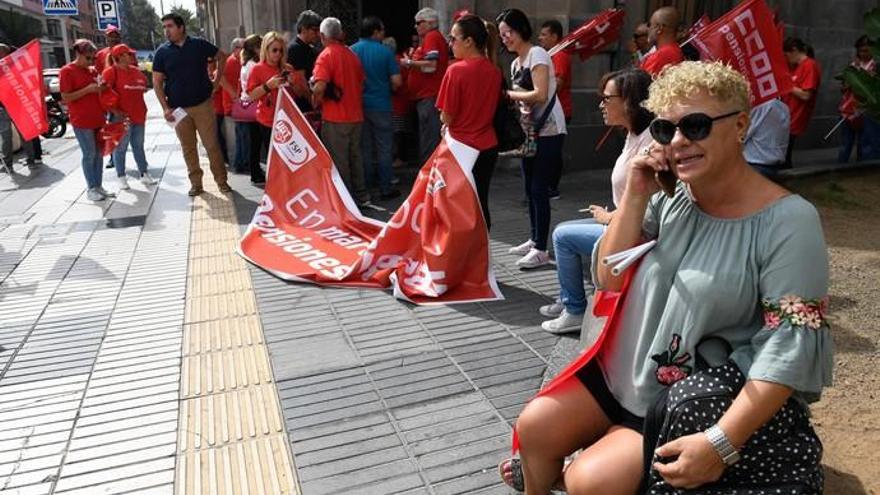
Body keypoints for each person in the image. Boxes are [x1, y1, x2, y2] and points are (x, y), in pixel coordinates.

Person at [500, 61, 832, 495]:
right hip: (619, 371)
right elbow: (607, 277)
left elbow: (789, 345)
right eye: (664, 129)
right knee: (535, 428)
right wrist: (637, 194)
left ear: (740, 125)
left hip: (680, 400)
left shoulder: (789, 221)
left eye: (695, 125)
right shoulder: (670, 199)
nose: (677, 142)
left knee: (590, 481)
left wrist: (722, 442)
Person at [539, 69, 654, 333]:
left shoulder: (652, 142)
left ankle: (574, 309)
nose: (601, 104)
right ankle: (568, 297)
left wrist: (609, 217)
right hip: (623, 225)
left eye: (606, 98)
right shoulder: (633, 133)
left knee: (562, 236)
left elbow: (650, 208)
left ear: (629, 101)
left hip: (637, 236)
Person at [498, 8, 567, 269]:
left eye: (509, 32)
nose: (506, 38)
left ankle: (541, 249)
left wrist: (507, 94)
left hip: (549, 130)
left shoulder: (537, 54)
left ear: (522, 29)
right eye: (503, 34)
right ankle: (534, 238)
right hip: (531, 132)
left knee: (539, 189)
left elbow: (540, 94)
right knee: (529, 188)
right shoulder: (516, 62)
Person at [152, 13, 231, 196]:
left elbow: (222, 57)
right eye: (164, 27)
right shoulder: (162, 52)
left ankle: (222, 181)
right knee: (188, 148)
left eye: (170, 26)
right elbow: (156, 83)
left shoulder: (199, 44)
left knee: (211, 145)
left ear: (181, 27)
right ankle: (196, 184)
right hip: (178, 110)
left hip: (203, 105)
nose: (166, 31)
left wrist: (217, 81)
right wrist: (165, 108)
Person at [436, 15, 502, 229]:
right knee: (480, 200)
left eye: (453, 38)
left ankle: (461, 256)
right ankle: (482, 252)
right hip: (487, 146)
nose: (450, 43)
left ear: (469, 41)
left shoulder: (456, 70)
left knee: (455, 205)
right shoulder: (494, 71)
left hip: (460, 148)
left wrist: (446, 121)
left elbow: (447, 116)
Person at [312, 17, 370, 206]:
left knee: (340, 161)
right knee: (356, 157)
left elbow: (319, 85)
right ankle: (362, 196)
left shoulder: (325, 56)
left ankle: (346, 202)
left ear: (322, 36)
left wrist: (315, 99)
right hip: (356, 115)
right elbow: (362, 83)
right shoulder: (352, 55)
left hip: (335, 117)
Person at [352, 16, 403, 200]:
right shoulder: (385, 52)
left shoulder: (352, 51)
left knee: (364, 148)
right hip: (382, 105)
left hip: (360, 106)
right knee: (384, 148)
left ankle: (365, 187)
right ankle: (385, 188)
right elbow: (397, 82)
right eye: (382, 30)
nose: (383, 34)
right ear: (375, 32)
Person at [60, 39, 115, 201]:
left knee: (99, 154)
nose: (91, 62)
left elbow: (99, 89)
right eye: (88, 58)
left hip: (98, 118)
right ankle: (91, 188)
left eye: (93, 59)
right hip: (81, 120)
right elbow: (66, 97)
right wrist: (88, 90)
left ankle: (98, 186)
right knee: (89, 153)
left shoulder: (91, 71)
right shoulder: (67, 71)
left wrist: (102, 87)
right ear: (78, 54)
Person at [247, 31, 302, 185]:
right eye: (274, 50)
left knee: (289, 159)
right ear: (266, 49)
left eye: (281, 50)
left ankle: (289, 188)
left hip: (288, 120)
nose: (278, 54)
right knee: (275, 160)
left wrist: (293, 82)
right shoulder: (257, 69)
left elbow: (298, 93)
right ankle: (277, 190)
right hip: (268, 121)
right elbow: (251, 96)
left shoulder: (287, 68)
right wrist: (268, 86)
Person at [102, 43, 156, 189]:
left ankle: (144, 173)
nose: (132, 56)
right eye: (128, 54)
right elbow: (103, 94)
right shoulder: (110, 73)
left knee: (138, 145)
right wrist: (114, 111)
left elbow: (143, 86)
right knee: (121, 148)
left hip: (138, 114)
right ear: (119, 57)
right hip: (121, 118)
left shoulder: (136, 71)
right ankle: (121, 176)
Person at [402, 8, 449, 168]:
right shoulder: (432, 38)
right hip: (427, 96)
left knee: (429, 139)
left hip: (429, 96)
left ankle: (429, 175)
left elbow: (431, 66)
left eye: (418, 22)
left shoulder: (432, 37)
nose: (415, 26)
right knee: (428, 136)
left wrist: (409, 63)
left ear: (429, 23)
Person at [538, 19, 571, 200]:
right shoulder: (550, 55)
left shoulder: (560, 56)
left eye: (544, 34)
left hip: (560, 111)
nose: (540, 38)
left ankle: (552, 187)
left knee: (553, 152)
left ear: (554, 36)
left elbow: (557, 84)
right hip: (550, 111)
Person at [838, 35, 880, 163]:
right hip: (849, 108)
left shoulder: (876, 66)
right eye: (861, 51)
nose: (863, 54)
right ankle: (840, 166)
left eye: (866, 51)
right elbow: (844, 87)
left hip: (867, 110)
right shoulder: (853, 66)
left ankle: (865, 165)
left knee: (866, 142)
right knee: (846, 142)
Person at [782, 37, 821, 168]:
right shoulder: (797, 67)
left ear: (794, 50)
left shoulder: (810, 65)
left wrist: (787, 86)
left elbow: (806, 95)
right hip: (787, 115)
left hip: (795, 117)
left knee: (785, 155)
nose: (787, 59)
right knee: (784, 154)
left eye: (786, 55)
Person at [287, 10, 323, 112]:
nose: (318, 34)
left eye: (319, 31)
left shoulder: (310, 48)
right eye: (315, 30)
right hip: (303, 106)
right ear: (303, 29)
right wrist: (313, 102)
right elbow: (300, 83)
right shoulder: (295, 48)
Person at [743, 98, 790, 177]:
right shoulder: (784, 108)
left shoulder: (760, 106)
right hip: (775, 164)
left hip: (755, 163)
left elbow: (743, 135)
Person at [238, 34, 263, 182]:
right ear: (255, 49)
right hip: (254, 105)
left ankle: (255, 170)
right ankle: (255, 172)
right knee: (255, 141)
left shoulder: (246, 64)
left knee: (254, 141)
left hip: (249, 104)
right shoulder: (253, 66)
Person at [222, 38, 248, 173]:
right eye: (243, 47)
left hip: (237, 105)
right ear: (235, 49)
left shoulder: (238, 61)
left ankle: (241, 163)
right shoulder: (231, 62)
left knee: (241, 135)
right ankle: (240, 164)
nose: (246, 50)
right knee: (240, 135)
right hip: (234, 106)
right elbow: (219, 77)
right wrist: (234, 95)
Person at [641, 7, 683, 76]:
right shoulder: (675, 50)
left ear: (659, 28)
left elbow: (640, 84)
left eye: (649, 24)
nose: (647, 29)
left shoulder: (660, 56)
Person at [0, 43, 14, 174]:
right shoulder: (14, 65)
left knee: (6, 136)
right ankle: (32, 160)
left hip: (12, 105)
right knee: (7, 136)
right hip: (10, 105)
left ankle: (8, 163)